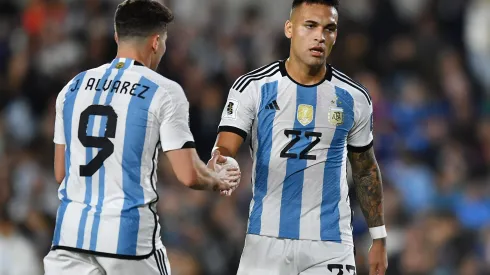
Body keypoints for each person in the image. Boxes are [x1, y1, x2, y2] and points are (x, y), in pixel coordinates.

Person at [43, 1, 240, 274]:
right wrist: (216, 179)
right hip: (127, 240)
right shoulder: (163, 91)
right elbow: (188, 175)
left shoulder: (72, 87)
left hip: (69, 237)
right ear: (156, 42)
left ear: (116, 36)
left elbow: (60, 172)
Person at [211, 0, 388, 274]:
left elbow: (365, 169)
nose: (320, 35)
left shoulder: (354, 97)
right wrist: (223, 162)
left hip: (330, 243)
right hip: (266, 240)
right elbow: (226, 144)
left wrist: (378, 236)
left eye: (329, 28)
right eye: (310, 26)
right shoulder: (254, 87)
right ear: (289, 29)